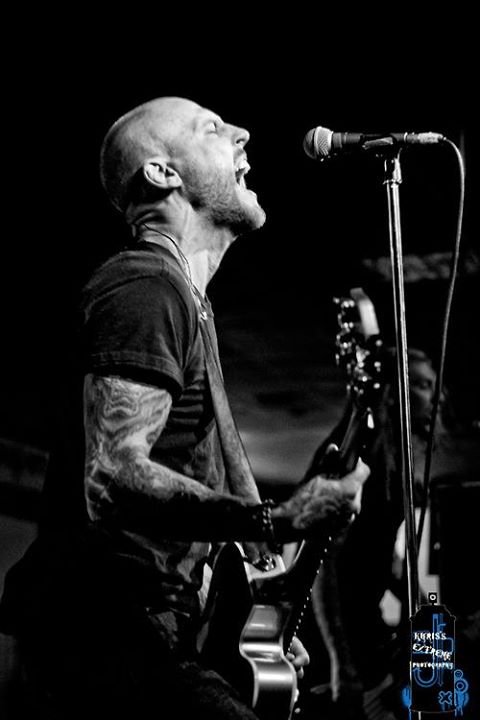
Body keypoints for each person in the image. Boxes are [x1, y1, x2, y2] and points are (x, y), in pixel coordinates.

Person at [0, 96, 369, 719]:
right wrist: (277, 518)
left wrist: (261, 610)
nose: (243, 132)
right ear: (162, 172)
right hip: (109, 629)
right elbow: (112, 477)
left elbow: (209, 468)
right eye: (213, 128)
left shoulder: (189, 301)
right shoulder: (144, 287)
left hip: (156, 626)